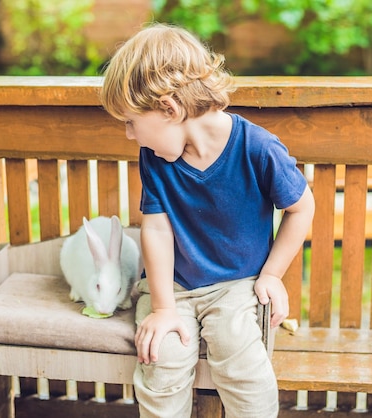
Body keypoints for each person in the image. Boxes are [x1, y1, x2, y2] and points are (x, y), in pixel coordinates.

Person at [100, 23, 315, 418]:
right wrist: (163, 308)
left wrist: (272, 275)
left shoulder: (257, 148)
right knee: (160, 360)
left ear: (169, 108)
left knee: (241, 359)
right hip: (173, 289)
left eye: (131, 121)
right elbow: (157, 228)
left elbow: (302, 208)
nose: (130, 135)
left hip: (237, 287)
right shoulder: (156, 157)